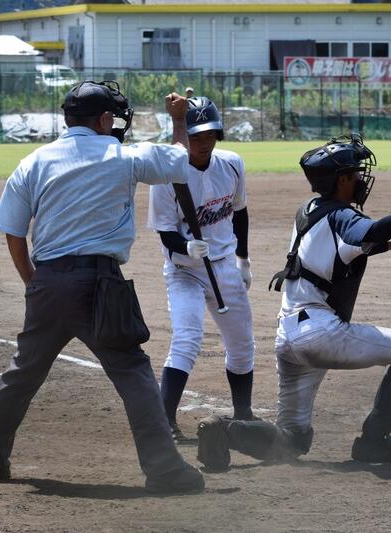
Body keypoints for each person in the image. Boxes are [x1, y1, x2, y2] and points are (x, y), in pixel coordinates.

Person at [0, 81, 204, 494]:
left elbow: (13, 232)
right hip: (100, 283)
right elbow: (180, 160)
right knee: (131, 370)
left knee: (23, 372)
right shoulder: (123, 155)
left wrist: (33, 282)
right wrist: (179, 120)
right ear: (104, 119)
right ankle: (165, 470)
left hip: (48, 281)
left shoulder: (34, 161)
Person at [196, 134, 391, 470]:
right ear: (341, 180)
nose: (360, 178)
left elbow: (346, 248)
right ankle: (374, 442)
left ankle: (225, 432)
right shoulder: (344, 217)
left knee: (292, 440)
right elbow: (368, 233)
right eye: (355, 173)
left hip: (289, 337)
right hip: (321, 333)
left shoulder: (309, 212)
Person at [147, 96, 256, 442]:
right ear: (186, 136)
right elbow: (165, 232)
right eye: (196, 136)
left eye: (210, 134)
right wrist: (185, 247)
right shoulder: (167, 177)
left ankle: (244, 416)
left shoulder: (232, 164)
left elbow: (239, 212)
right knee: (187, 339)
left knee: (242, 345)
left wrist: (243, 260)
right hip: (185, 272)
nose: (204, 142)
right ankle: (164, 421)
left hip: (224, 268)